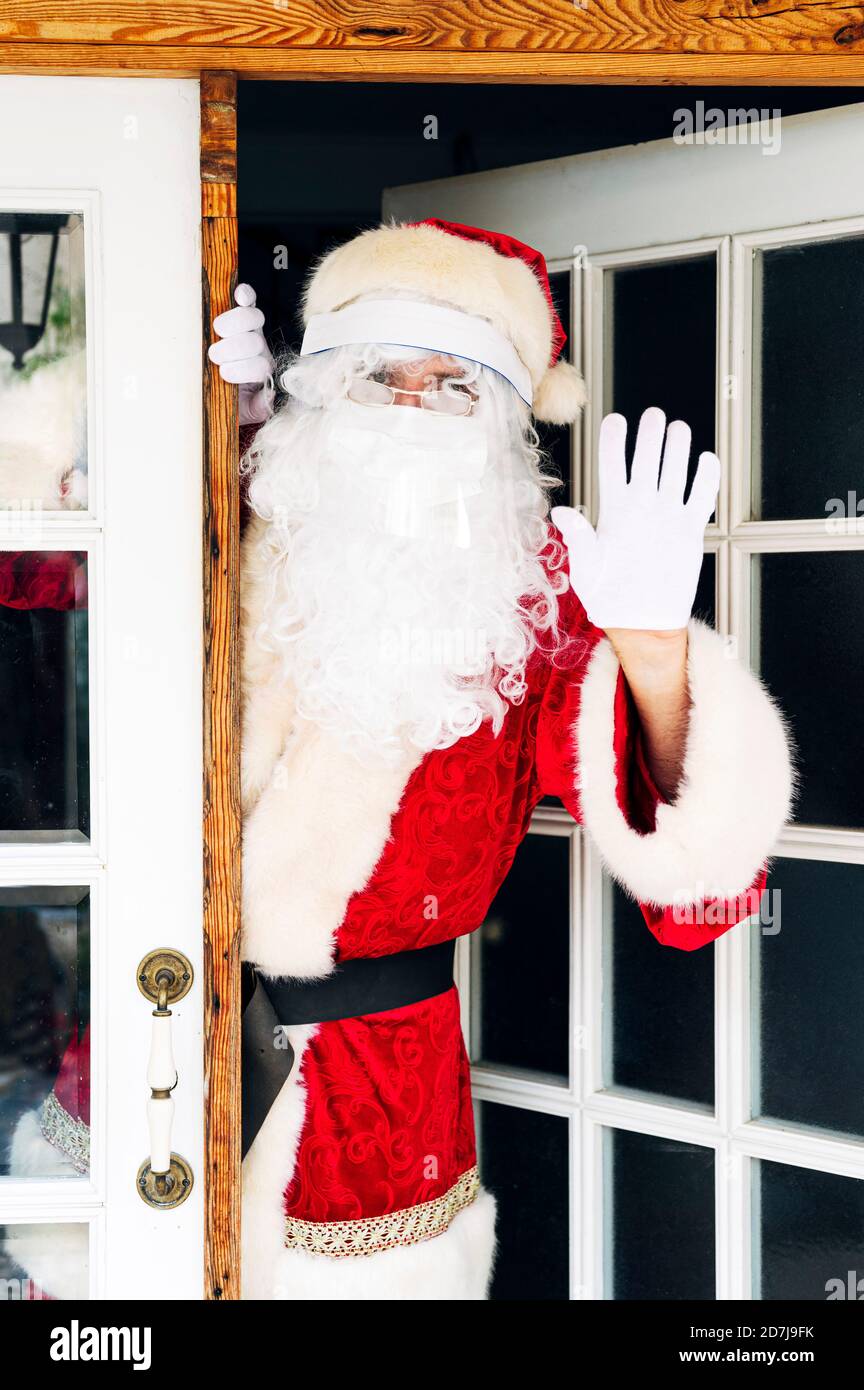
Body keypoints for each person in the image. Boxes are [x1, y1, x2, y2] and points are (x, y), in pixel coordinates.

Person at [208, 218, 794, 1300]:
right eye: (384, 371)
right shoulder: (221, 520)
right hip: (149, 1030)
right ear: (320, 390)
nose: (416, 402)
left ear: (507, 424)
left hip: (382, 1098)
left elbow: (700, 893)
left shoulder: (540, 601)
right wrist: (181, 437)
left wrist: (653, 650)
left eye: (455, 382)